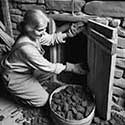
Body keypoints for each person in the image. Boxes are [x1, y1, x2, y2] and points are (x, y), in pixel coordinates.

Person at [1, 9, 86, 107]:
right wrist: (72, 68)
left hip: (25, 71)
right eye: (41, 30)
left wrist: (67, 34)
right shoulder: (26, 48)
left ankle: (31, 88)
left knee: (51, 70)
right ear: (30, 28)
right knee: (43, 100)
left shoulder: (34, 34)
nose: (43, 32)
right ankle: (18, 95)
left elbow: (50, 39)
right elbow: (47, 66)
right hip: (15, 77)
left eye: (44, 29)